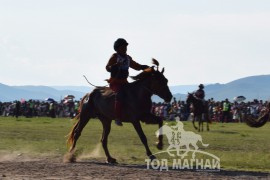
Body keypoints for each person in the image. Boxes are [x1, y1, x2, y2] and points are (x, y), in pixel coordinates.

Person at [106, 38, 149, 126]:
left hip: (125, 83)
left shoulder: (128, 58)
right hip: (115, 83)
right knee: (120, 95)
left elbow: (136, 66)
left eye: (125, 47)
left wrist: (143, 67)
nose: (125, 48)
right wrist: (114, 66)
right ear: (117, 48)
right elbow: (107, 68)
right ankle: (117, 117)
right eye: (123, 47)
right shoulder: (114, 57)